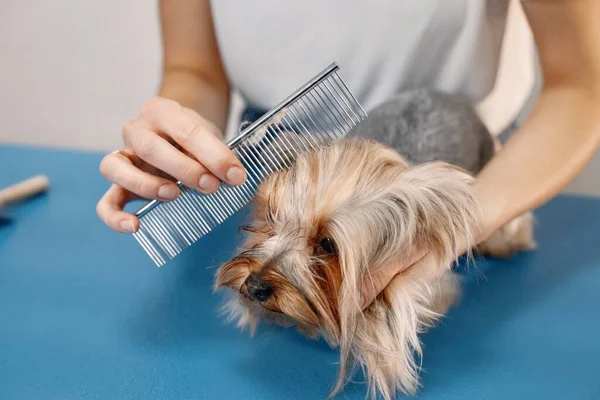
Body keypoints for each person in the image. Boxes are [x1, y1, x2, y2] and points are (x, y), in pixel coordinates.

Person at [96, 0, 600, 307]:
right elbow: (196, 71)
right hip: (279, 163)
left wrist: (462, 221)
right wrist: (181, 140)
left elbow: (581, 87)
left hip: (468, 172)